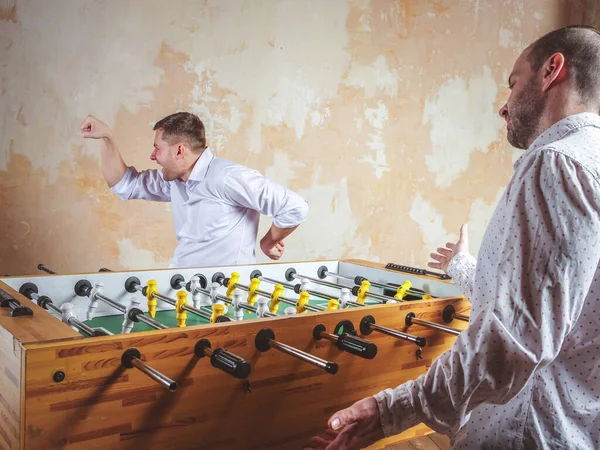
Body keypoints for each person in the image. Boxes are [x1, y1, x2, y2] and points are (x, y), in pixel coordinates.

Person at [306, 25, 600, 450]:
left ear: (552, 70)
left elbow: (515, 340)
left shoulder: (555, 163)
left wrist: (393, 410)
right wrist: (461, 265)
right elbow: (564, 302)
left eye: (514, 82)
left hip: (528, 430)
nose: (504, 106)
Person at [80, 112, 309, 268]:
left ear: (180, 150)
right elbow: (124, 184)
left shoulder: (227, 177)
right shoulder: (174, 180)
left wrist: (267, 242)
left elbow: (294, 207)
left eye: (157, 148)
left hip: (226, 301)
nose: (152, 156)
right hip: (182, 293)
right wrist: (107, 137)